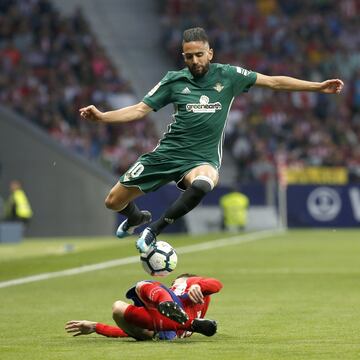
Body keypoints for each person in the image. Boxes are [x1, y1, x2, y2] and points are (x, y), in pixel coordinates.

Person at [79, 27, 344, 253]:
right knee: (113, 202)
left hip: (201, 159)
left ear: (210, 53)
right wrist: (102, 117)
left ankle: (154, 229)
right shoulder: (173, 80)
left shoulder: (228, 76)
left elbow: (274, 82)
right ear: (183, 56)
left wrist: (317, 86)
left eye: (198, 55)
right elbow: (139, 110)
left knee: (204, 183)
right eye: (188, 56)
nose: (194, 61)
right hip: (167, 154)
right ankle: (136, 217)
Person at [65, 273, 223, 341]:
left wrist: (195, 283)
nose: (174, 284)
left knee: (142, 285)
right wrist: (96, 327)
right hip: (168, 330)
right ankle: (189, 324)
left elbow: (216, 284)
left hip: (174, 306)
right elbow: (128, 332)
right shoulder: (199, 301)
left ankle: (167, 304)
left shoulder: (188, 284)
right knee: (118, 309)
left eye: (175, 282)